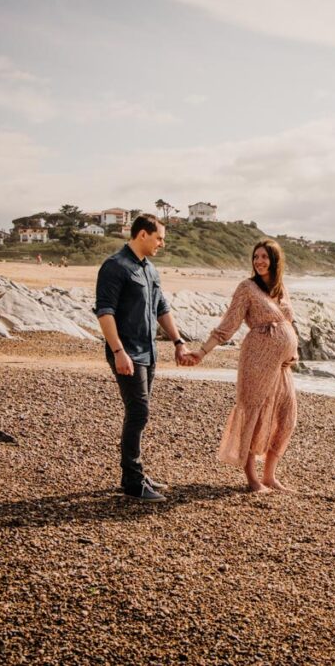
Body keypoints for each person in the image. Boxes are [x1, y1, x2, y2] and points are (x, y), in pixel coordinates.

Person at [95, 214, 193, 502]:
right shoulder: (115, 266)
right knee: (139, 412)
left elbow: (162, 307)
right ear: (142, 235)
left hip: (148, 352)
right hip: (126, 353)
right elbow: (105, 312)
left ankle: (134, 473)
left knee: (138, 413)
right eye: (159, 237)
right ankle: (133, 482)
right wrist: (118, 352)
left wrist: (177, 342)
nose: (162, 243)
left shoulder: (150, 269)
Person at [188, 239, 298, 492]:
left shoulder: (281, 289)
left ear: (275, 261)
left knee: (286, 417)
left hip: (282, 367)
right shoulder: (247, 288)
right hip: (257, 360)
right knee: (254, 415)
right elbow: (229, 324)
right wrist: (202, 352)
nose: (259, 261)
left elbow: (290, 324)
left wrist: (294, 352)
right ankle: (252, 479)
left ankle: (270, 476)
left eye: (264, 257)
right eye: (255, 256)